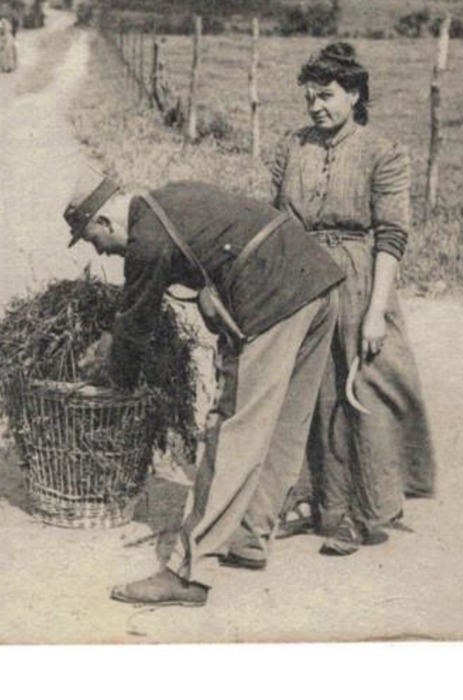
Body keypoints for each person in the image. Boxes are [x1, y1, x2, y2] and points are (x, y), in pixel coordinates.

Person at [67, 171, 345, 607]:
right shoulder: (171, 196)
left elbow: (136, 324)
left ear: (104, 221)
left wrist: (115, 378)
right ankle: (249, 538)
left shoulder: (145, 240)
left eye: (91, 239)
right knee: (282, 426)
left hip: (273, 297)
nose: (99, 250)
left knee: (229, 431)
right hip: (318, 284)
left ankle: (187, 573)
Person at [271, 41, 436, 556]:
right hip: (303, 276)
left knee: (361, 392)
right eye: (309, 99)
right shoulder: (290, 147)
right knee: (307, 392)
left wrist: (375, 313)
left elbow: (391, 237)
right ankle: (313, 502)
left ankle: (364, 512)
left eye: (326, 96)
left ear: (355, 94)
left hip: (361, 280)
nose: (315, 106)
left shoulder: (383, 153)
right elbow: (277, 220)